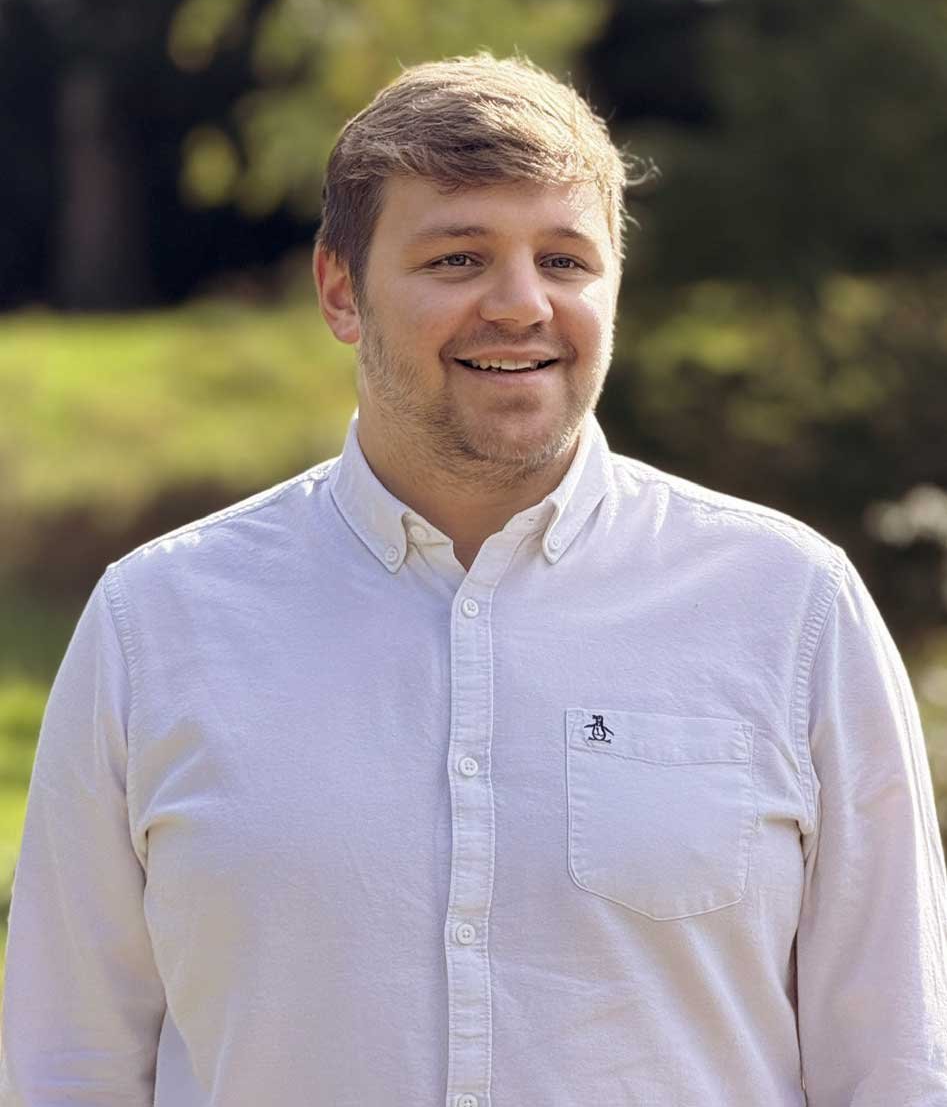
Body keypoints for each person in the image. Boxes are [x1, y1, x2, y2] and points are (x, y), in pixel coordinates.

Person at [2, 54, 946, 1106]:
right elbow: (65, 1063)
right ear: (338, 290)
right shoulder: (154, 625)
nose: (520, 306)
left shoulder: (792, 610)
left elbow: (896, 1064)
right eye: (457, 259)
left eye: (564, 260)